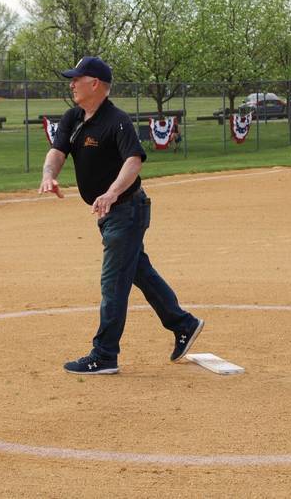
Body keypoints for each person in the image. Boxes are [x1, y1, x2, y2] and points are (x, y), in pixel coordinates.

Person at [39, 56, 203, 375]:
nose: (71, 84)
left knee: (113, 282)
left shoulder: (117, 120)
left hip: (126, 210)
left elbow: (133, 160)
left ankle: (105, 355)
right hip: (111, 214)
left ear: (95, 84)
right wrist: (49, 175)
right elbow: (57, 151)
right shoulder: (74, 117)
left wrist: (112, 192)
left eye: (77, 79)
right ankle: (184, 324)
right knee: (139, 271)